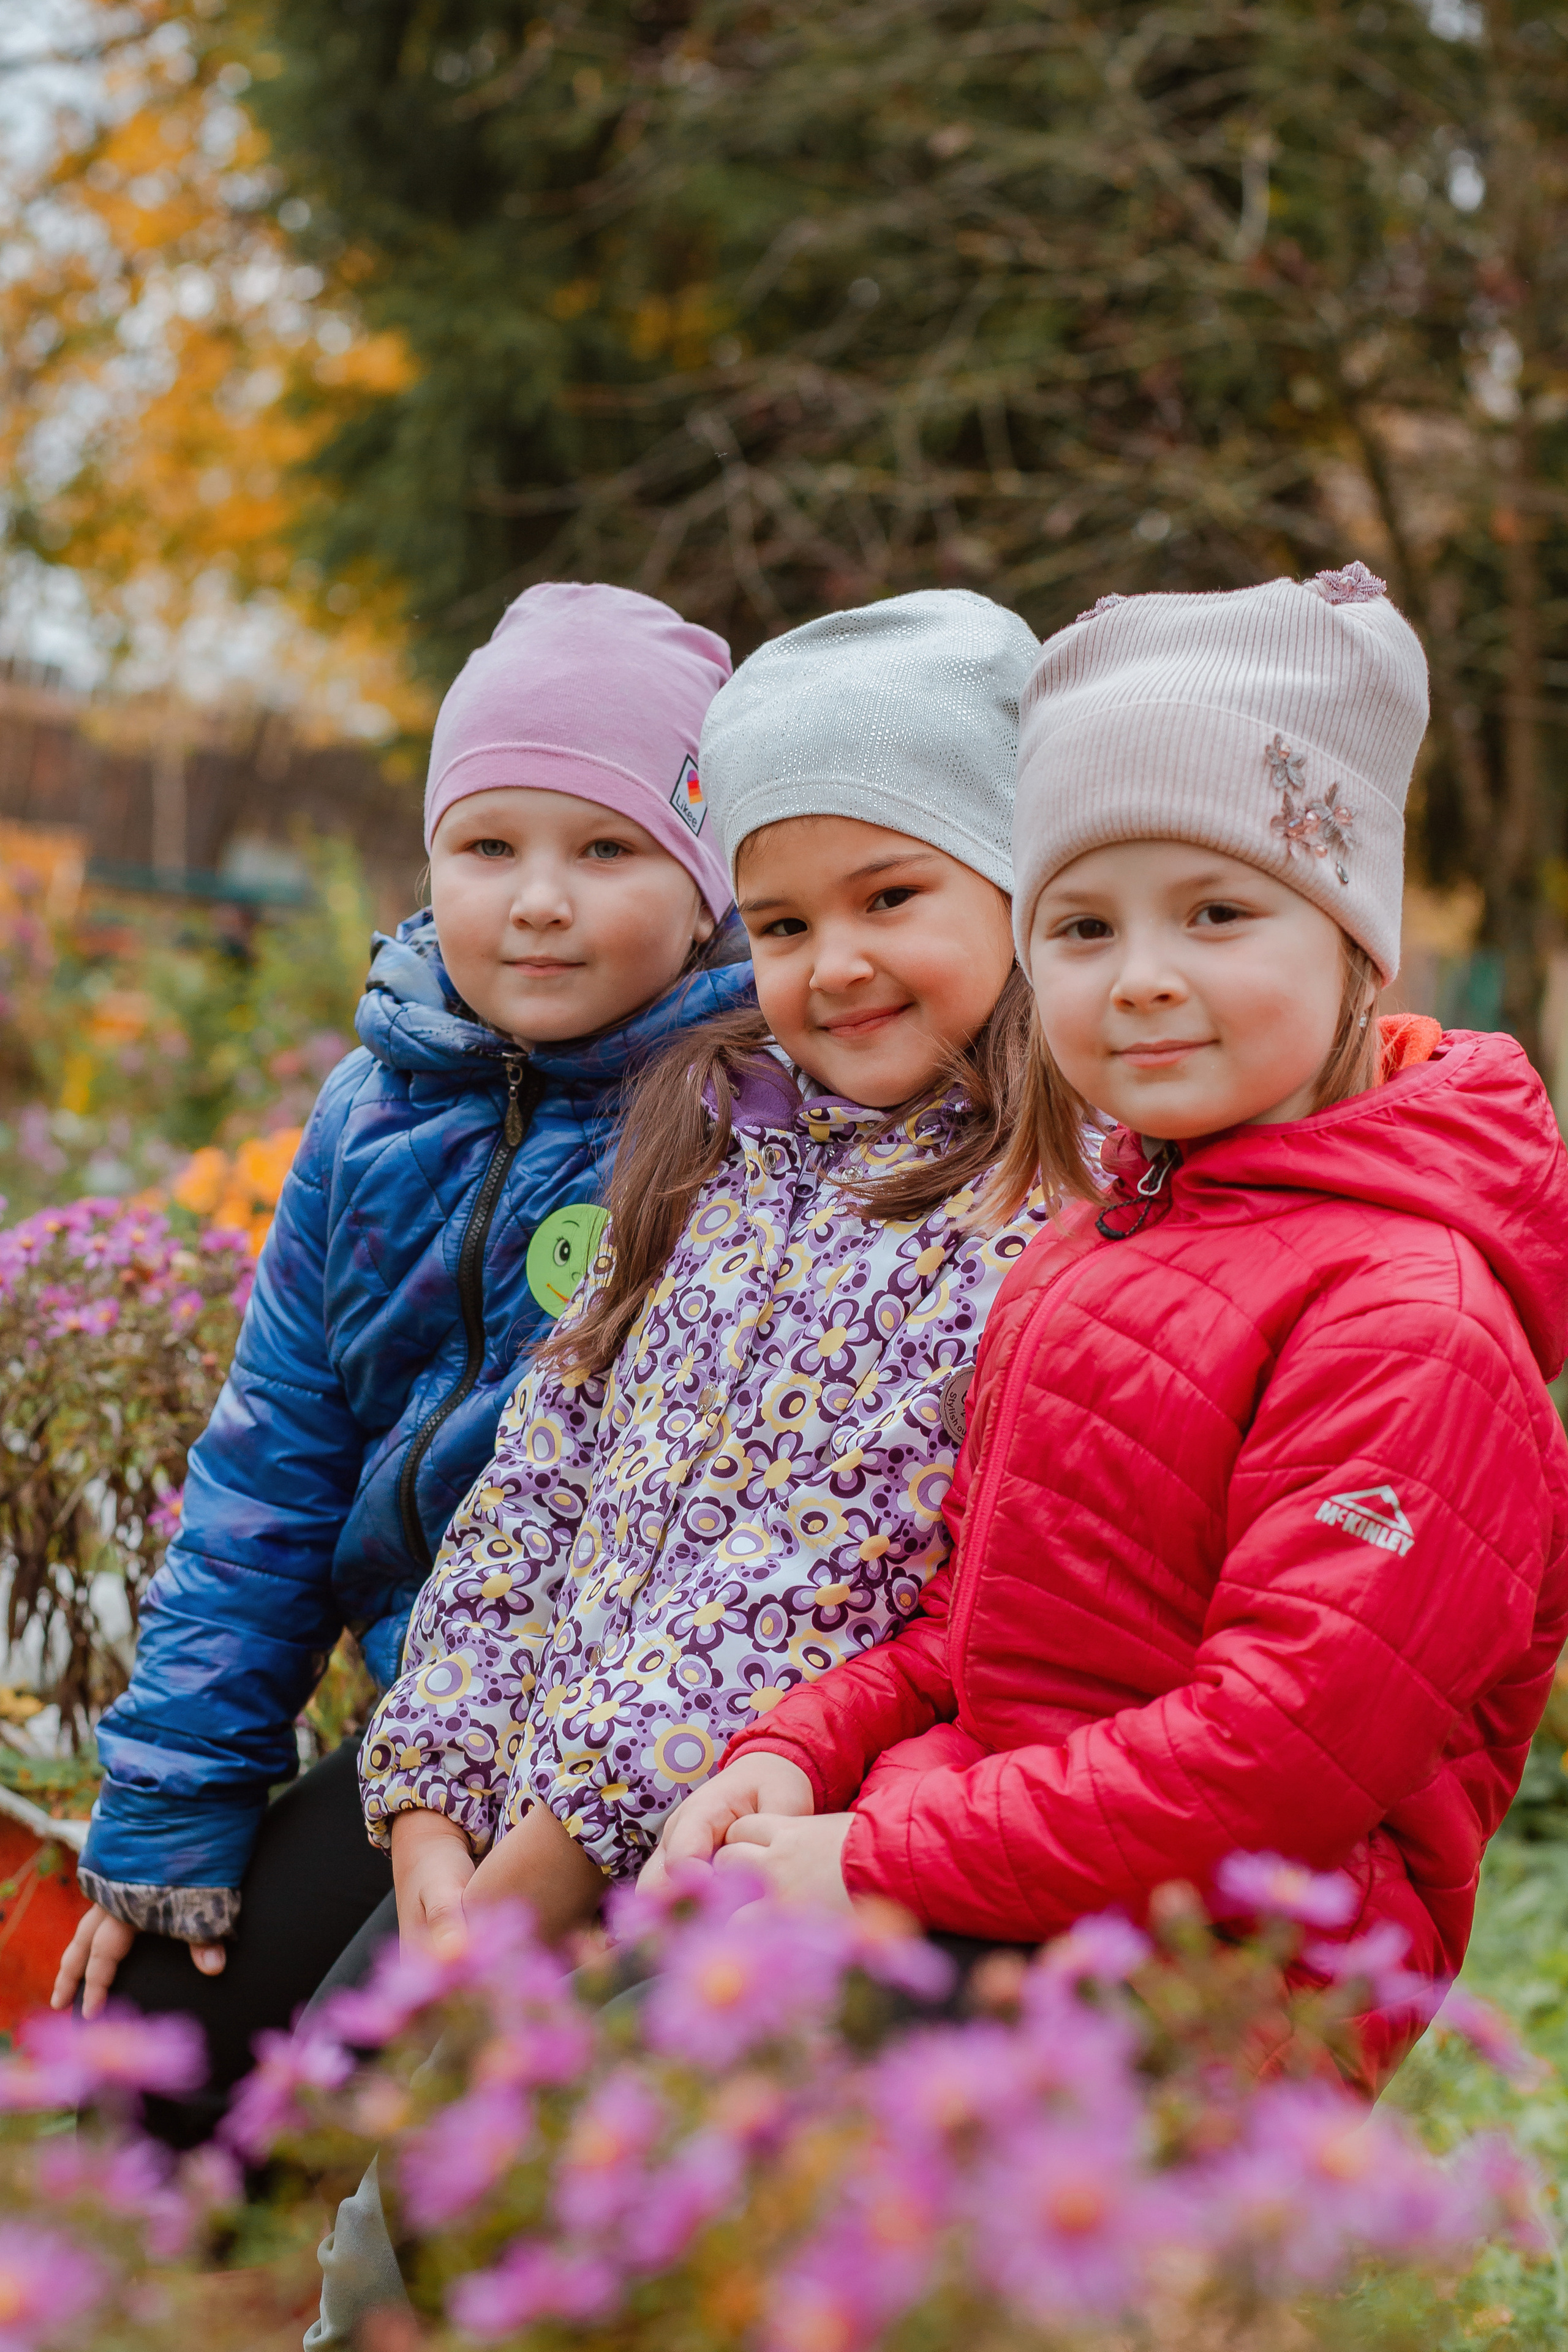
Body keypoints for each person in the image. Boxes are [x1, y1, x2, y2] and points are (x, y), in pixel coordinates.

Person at [654, 564, 1568, 2089]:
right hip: (998, 1881)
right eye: (1079, 927)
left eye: (1215, 912)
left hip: (1211, 1994)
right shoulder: (1098, 1240)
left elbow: (1271, 1763)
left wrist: (873, 1854)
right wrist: (794, 1749)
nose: (1141, 981)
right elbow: (974, 1626)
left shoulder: (1412, 1324)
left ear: (1354, 936)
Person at [306, 584, 1047, 2352]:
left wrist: (550, 1866)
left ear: (1023, 886)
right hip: (519, 1814)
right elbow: (535, 1483)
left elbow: (832, 1564)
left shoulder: (1017, 1218)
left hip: (709, 1840)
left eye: (894, 896)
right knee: (341, 2147)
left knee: (509, 2197)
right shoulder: (715, 1137)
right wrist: (435, 1793)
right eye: (782, 919)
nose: (834, 962)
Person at [53, 582, 751, 2147]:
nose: (539, 901)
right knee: (157, 2050)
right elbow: (268, 1478)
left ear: (707, 881)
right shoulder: (372, 1115)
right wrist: (178, 1817)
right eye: (488, 846)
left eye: (607, 848)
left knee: (444, 2127)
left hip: (643, 1760)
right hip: (420, 1740)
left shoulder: (747, 1119)